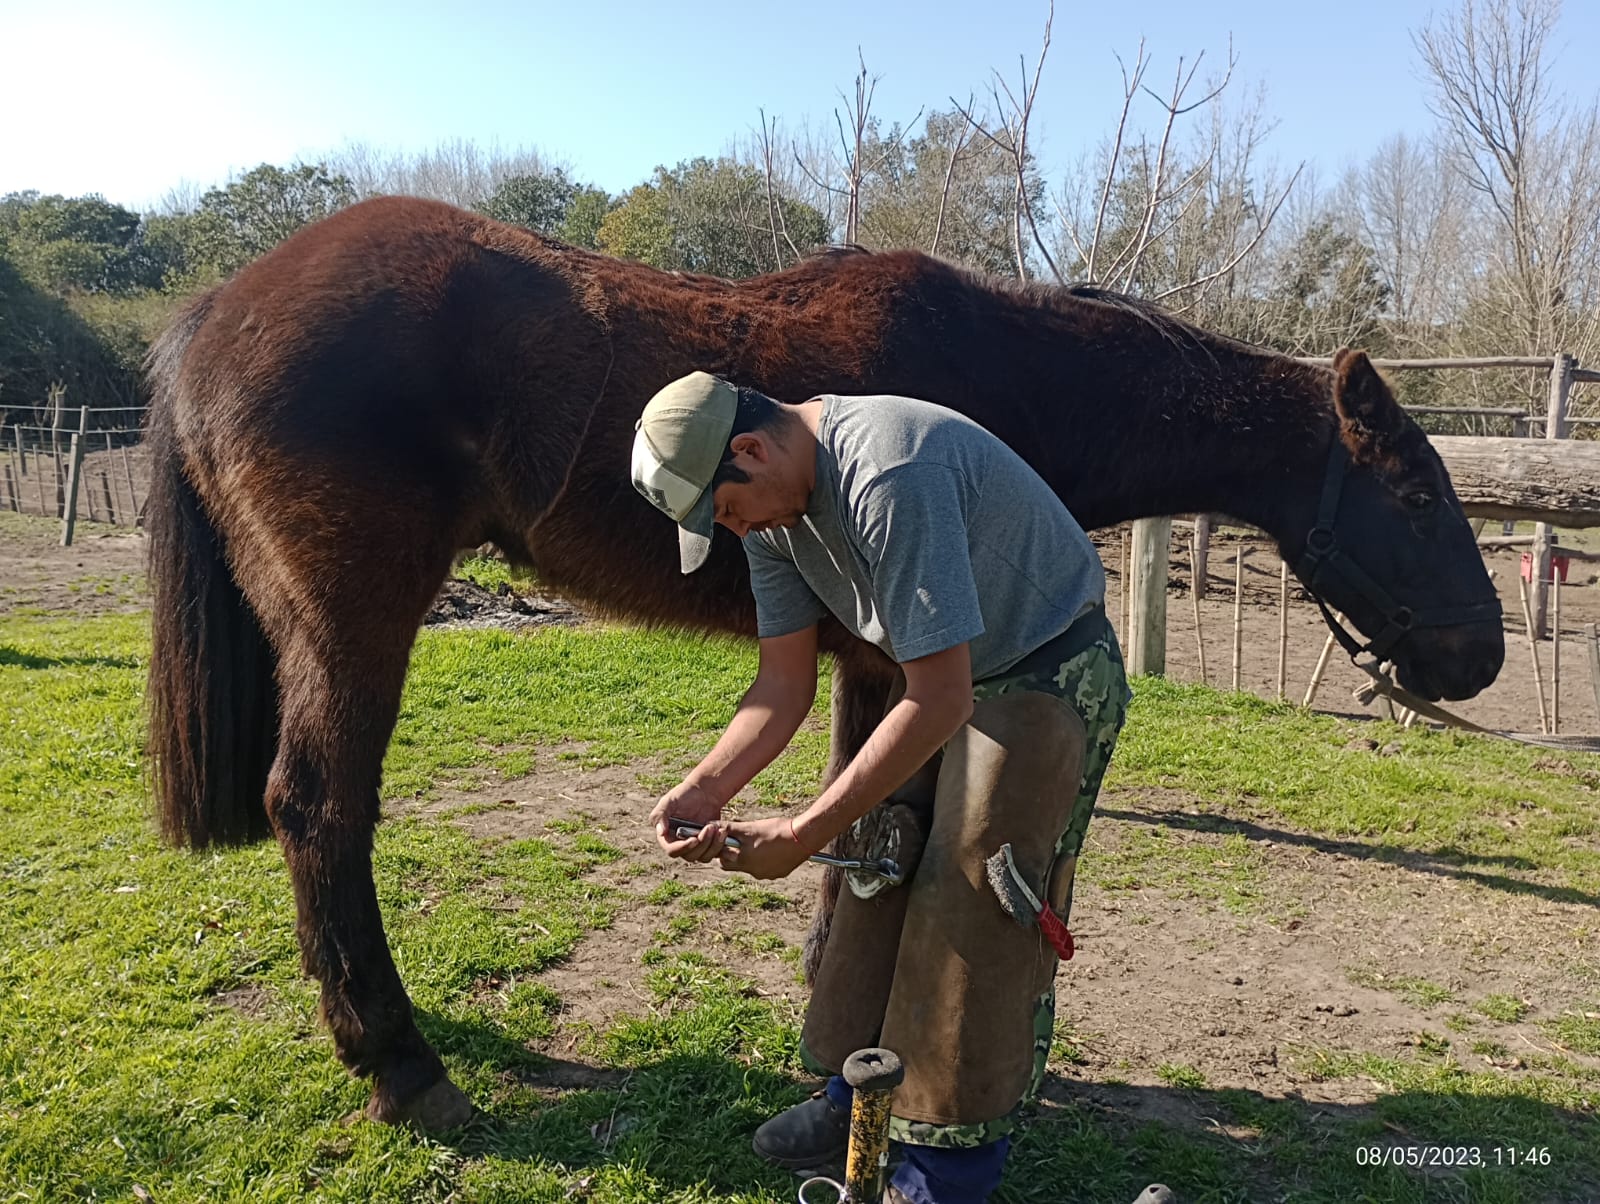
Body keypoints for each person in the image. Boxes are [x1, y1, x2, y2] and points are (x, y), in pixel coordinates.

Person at [630, 371, 1131, 1204]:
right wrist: (704, 790)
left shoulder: (888, 473)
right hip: (945, 672)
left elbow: (942, 697)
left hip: (1047, 664)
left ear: (750, 450)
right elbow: (781, 688)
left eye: (724, 509)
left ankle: (944, 1172)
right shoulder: (772, 519)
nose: (733, 529)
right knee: (880, 853)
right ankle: (854, 1098)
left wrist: (796, 835)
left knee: (977, 884)